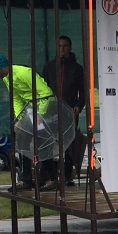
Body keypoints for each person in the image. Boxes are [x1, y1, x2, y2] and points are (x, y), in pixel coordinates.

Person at [0, 53, 57, 189]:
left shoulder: (25, 73)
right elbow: (16, 98)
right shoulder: (7, 78)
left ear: (3, 67)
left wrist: (40, 115)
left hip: (46, 107)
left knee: (43, 141)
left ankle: (50, 178)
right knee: (22, 140)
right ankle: (26, 179)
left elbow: (46, 93)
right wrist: (19, 119)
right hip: (32, 110)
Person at [41, 35, 87, 186]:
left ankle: (67, 176)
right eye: (59, 46)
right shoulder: (49, 67)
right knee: (47, 141)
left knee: (68, 143)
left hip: (70, 110)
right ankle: (50, 175)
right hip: (51, 110)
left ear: (70, 48)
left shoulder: (77, 68)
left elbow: (83, 90)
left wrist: (79, 105)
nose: (62, 49)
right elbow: (42, 88)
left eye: (65, 46)